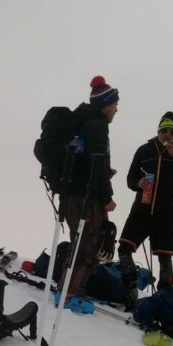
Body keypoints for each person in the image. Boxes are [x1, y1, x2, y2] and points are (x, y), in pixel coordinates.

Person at [117, 111, 173, 309]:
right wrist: (138, 182)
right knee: (124, 248)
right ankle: (130, 291)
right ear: (158, 130)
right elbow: (130, 179)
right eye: (164, 130)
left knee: (164, 257)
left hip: (167, 213)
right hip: (141, 210)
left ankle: (164, 299)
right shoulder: (144, 150)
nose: (167, 135)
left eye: (171, 131)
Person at [56, 75, 119, 310]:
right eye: (114, 104)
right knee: (89, 246)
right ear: (105, 105)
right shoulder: (97, 125)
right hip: (86, 195)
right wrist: (107, 198)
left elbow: (86, 160)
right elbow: (97, 163)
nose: (116, 110)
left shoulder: (80, 121)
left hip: (71, 192)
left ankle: (64, 290)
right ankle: (71, 295)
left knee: (78, 242)